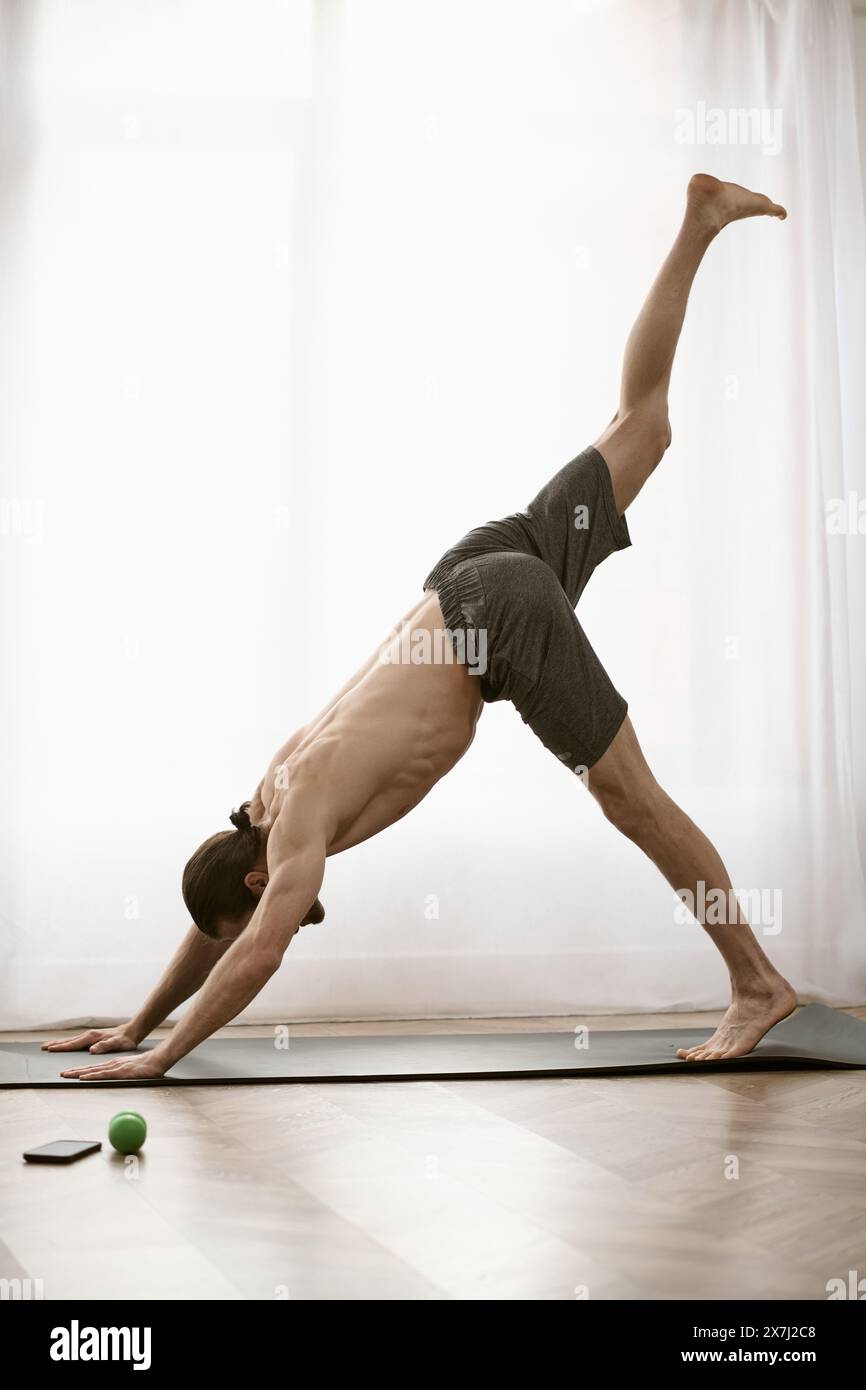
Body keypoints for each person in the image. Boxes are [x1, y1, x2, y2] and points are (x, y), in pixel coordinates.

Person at [47, 175, 794, 1081]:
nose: (269, 909)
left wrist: (162, 1059)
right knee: (643, 425)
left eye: (256, 903)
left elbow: (255, 952)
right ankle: (699, 223)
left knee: (628, 795)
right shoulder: (270, 792)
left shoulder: (292, 839)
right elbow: (219, 931)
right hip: (467, 575)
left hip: (494, 620)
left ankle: (756, 981)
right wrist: (135, 1024)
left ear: (256, 882)